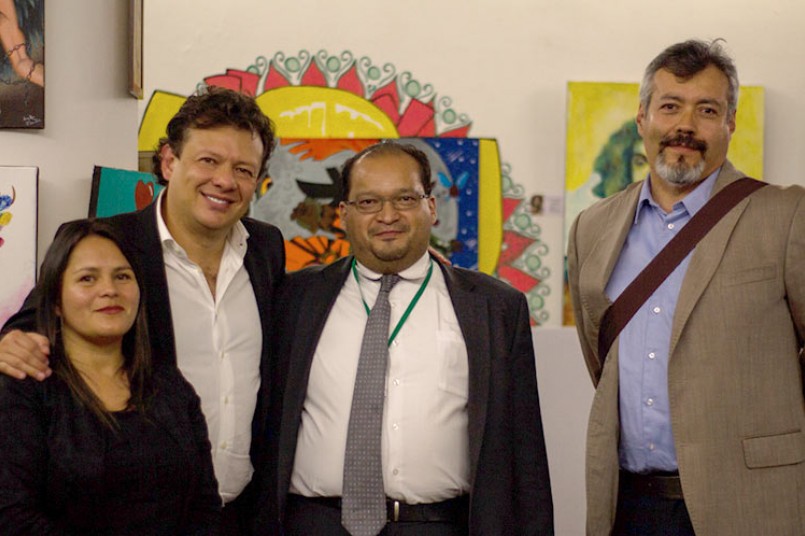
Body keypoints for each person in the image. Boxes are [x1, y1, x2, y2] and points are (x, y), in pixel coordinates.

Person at [0, 86, 285, 535]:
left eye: (243, 169)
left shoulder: (266, 247)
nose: (225, 181)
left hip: (243, 514)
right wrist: (8, 343)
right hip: (140, 513)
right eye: (208, 160)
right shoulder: (112, 246)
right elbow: (31, 326)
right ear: (169, 161)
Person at [567, 39, 805, 535]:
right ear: (642, 118)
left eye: (707, 110)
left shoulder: (786, 216)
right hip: (629, 504)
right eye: (670, 106)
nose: (686, 126)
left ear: (731, 123)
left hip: (750, 503)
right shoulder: (592, 227)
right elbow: (601, 357)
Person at [258, 141, 553, 535]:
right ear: (343, 214)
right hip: (313, 523)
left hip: (437, 525)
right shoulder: (293, 299)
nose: (388, 215)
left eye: (405, 199)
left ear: (431, 206)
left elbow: (525, 453)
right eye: (368, 202)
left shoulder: (495, 308)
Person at [0, 220, 220, 534]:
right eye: (87, 278)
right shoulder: (25, 389)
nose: (109, 290)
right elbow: (12, 516)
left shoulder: (170, 385)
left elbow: (205, 505)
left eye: (122, 276)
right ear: (55, 301)